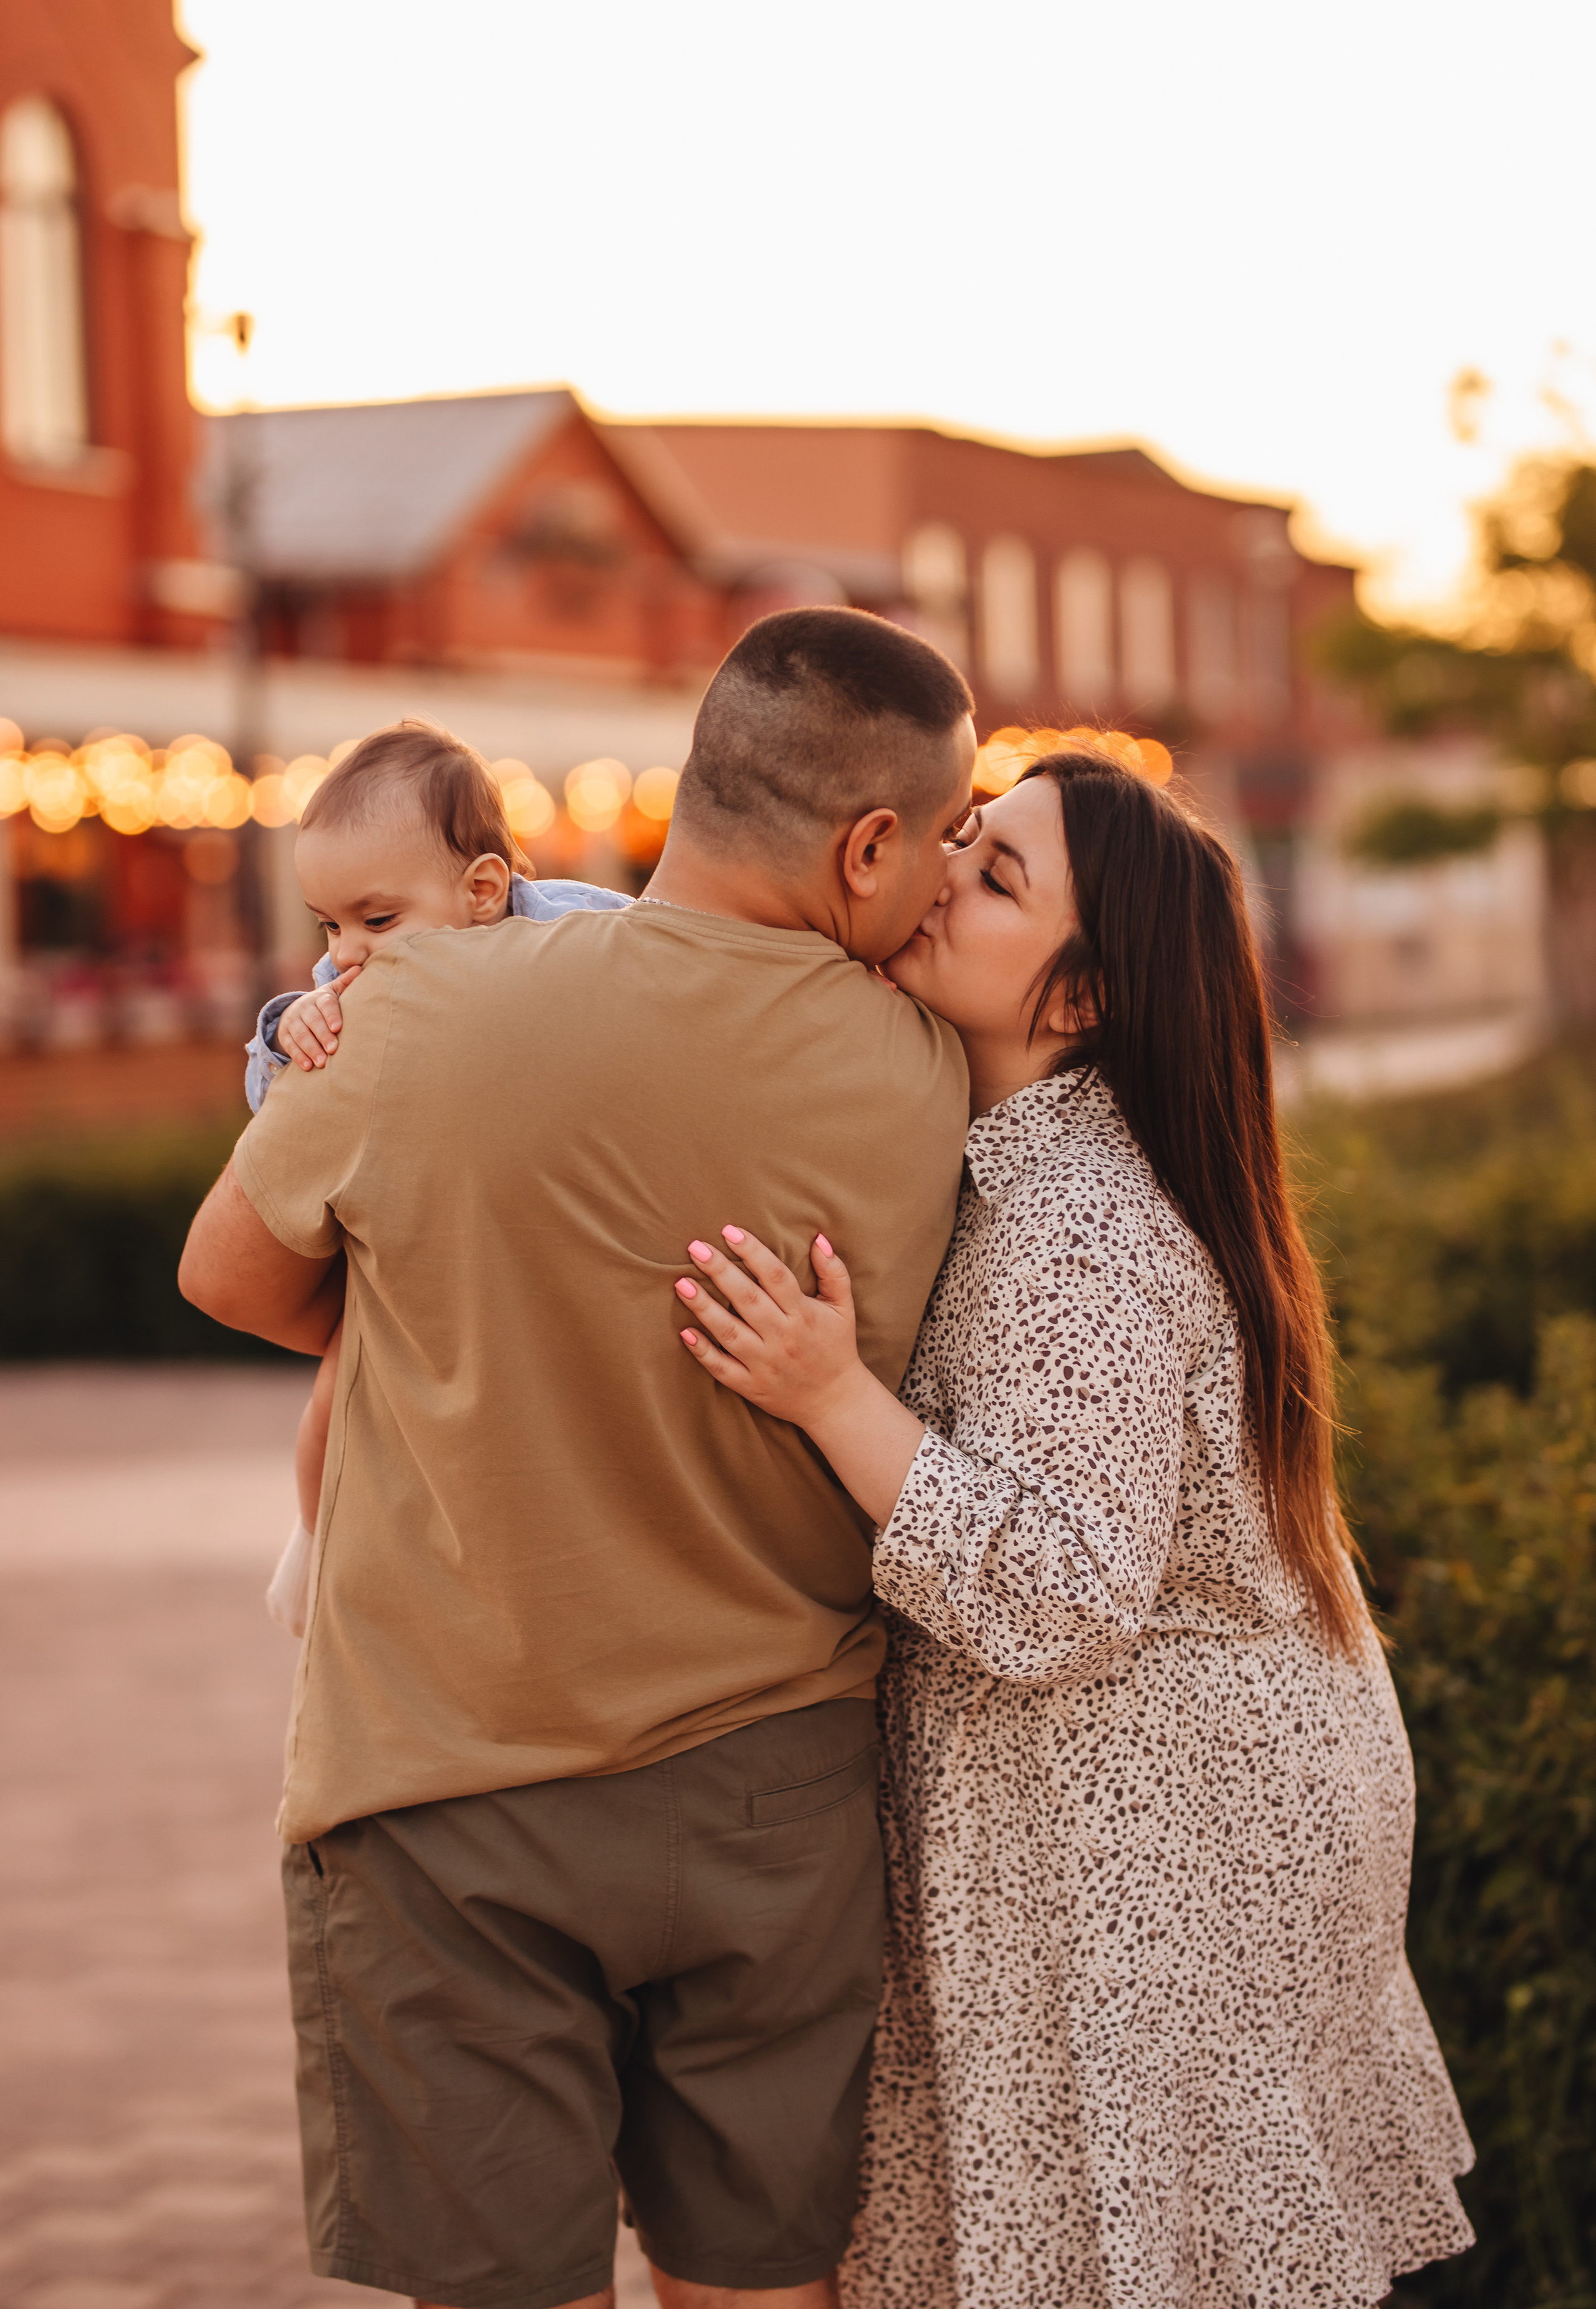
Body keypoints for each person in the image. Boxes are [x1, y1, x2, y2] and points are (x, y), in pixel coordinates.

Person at [177, 606, 978, 2309]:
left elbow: (227, 1276)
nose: (942, 891)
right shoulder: (927, 1070)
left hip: (447, 1781)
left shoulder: (424, 1003)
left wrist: (460, 1317)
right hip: (776, 1786)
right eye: (943, 850)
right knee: (760, 2288)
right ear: (869, 844)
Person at [668, 749, 1476, 2308]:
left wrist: (831, 1397)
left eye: (997, 876)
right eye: (965, 838)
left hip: (1163, 1849)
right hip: (1168, 1820)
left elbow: (1057, 1587)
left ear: (1080, 999)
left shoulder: (1077, 1227)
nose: (945, 871)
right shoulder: (1040, 1171)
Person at [240, 719, 629, 1637]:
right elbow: (274, 1110)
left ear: (485, 892)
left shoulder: (569, 927)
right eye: (329, 924)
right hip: (406, 1233)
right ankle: (312, 1537)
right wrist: (288, 1034)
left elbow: (683, 956)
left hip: (531, 1230)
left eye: (376, 920)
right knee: (336, 1402)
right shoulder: (351, 986)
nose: (346, 950)